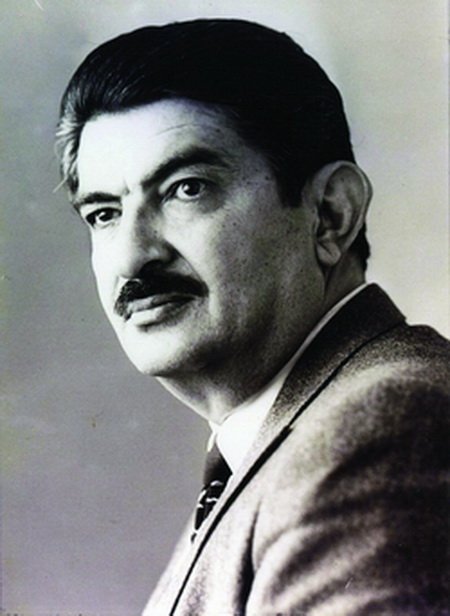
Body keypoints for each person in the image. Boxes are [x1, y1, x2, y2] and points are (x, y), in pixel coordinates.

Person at [56, 19, 449, 616]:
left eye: (187, 188)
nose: (133, 257)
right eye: (104, 214)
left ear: (331, 215)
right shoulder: (276, 444)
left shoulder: (378, 427)